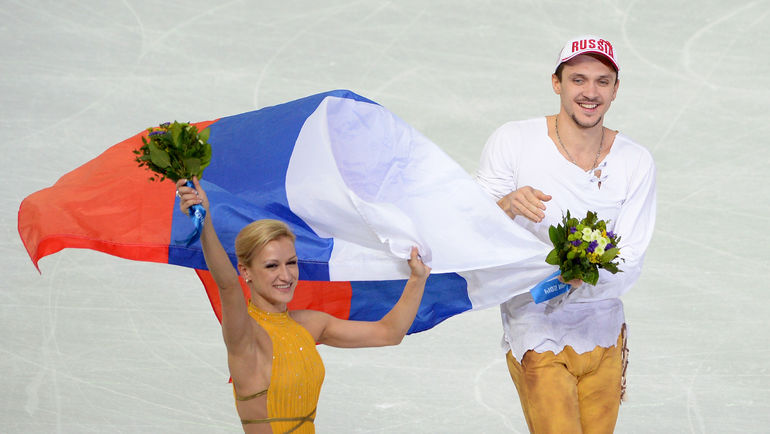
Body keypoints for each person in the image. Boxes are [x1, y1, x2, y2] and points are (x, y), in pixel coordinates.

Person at [475, 35, 656, 433]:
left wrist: (577, 279)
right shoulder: (513, 141)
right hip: (535, 330)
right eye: (578, 80)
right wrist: (504, 206)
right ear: (557, 83)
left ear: (615, 89)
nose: (590, 93)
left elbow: (630, 259)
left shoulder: (636, 161)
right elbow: (469, 231)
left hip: (604, 333)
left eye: (602, 81)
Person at [176, 177, 430, 434]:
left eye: (292, 263)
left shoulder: (310, 324)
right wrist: (204, 220)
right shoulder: (246, 336)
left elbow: (389, 333)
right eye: (272, 266)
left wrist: (417, 279)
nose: (286, 276)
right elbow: (228, 285)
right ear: (246, 271)